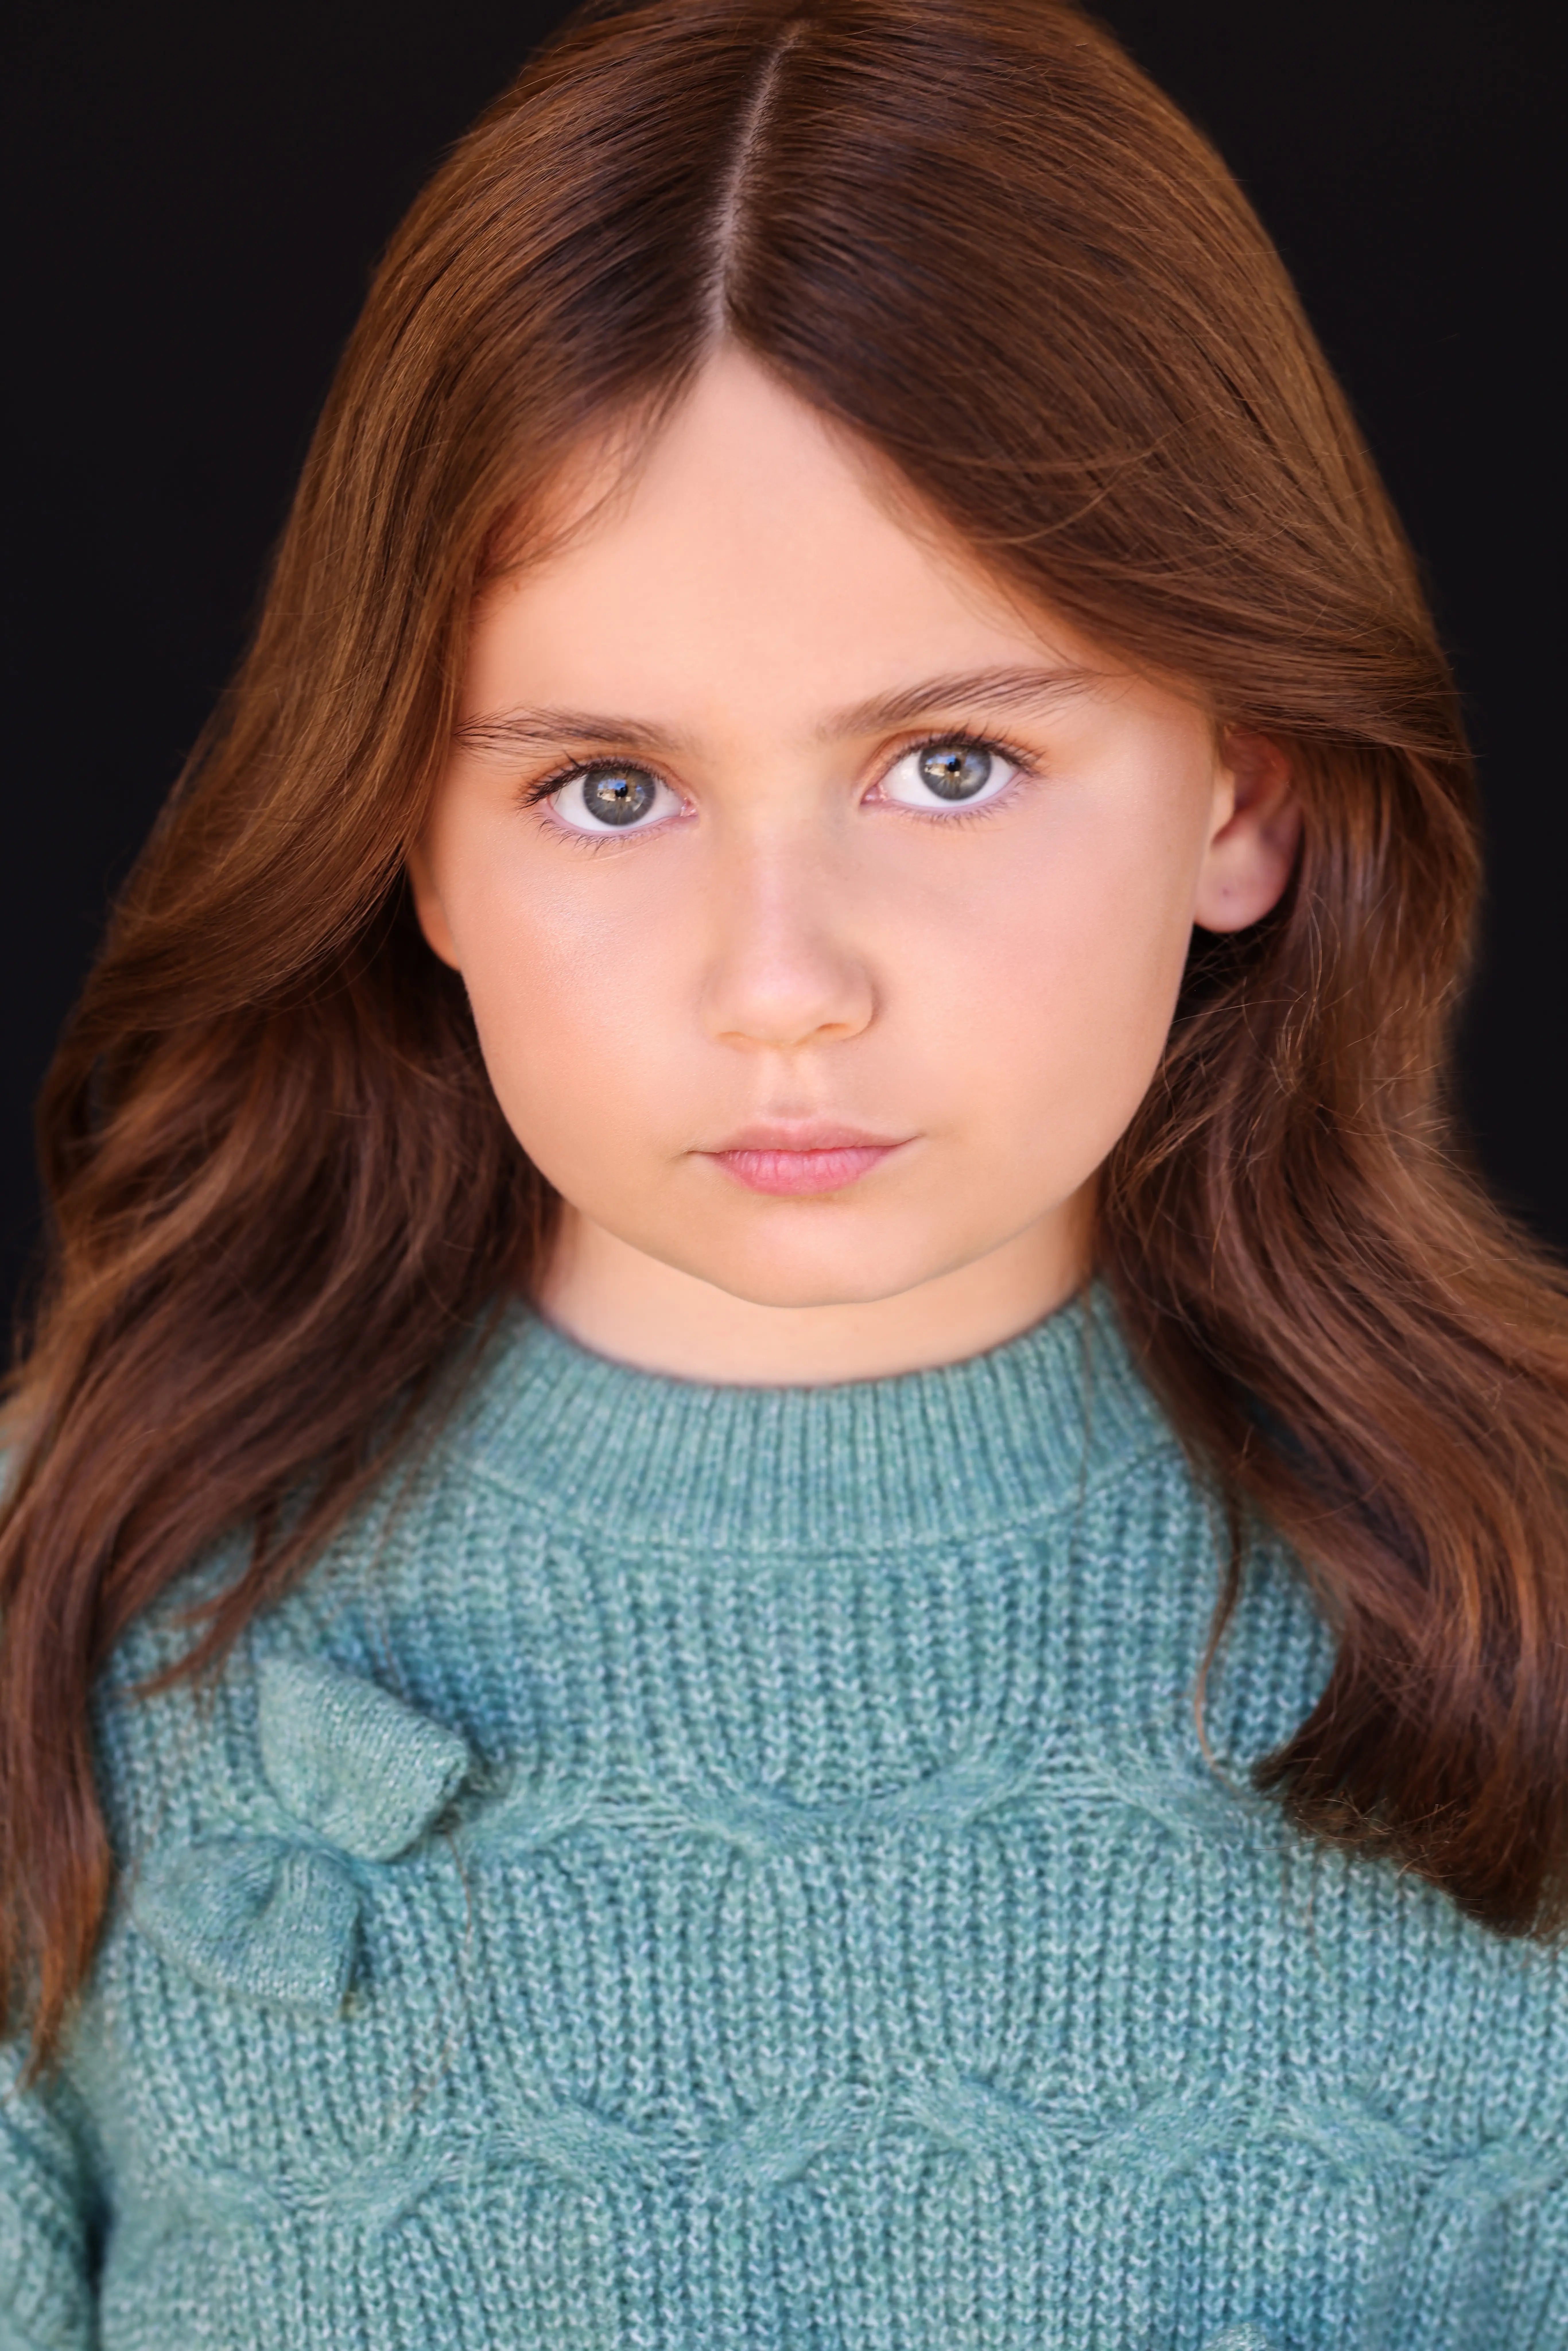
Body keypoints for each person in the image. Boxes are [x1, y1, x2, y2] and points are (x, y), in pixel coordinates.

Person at [2, 0, 1565, 2343]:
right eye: (604, 786)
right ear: (408, 836)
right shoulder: (67, 1593)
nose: (776, 984)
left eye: (945, 762)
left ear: (1241, 791)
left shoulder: (1526, 1584)